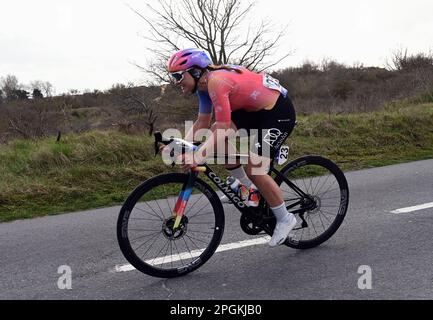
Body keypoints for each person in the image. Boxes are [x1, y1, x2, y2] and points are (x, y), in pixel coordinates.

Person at [166, 48, 297, 247]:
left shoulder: (217, 82)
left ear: (194, 71)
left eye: (177, 75)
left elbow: (224, 128)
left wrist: (198, 156)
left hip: (277, 113)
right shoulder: (203, 86)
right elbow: (202, 123)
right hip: (253, 111)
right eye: (172, 76)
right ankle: (247, 189)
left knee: (256, 168)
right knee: (214, 136)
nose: (176, 81)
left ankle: (285, 218)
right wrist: (183, 146)